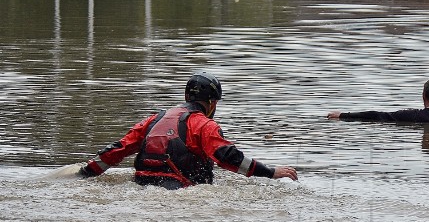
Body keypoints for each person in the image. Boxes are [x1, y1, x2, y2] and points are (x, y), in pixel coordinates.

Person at [79, 72, 297, 189]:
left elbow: (118, 148)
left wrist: (85, 174)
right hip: (178, 190)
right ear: (212, 103)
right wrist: (270, 172)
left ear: (186, 97)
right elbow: (228, 157)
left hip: (140, 185)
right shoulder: (204, 125)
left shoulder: (156, 119)